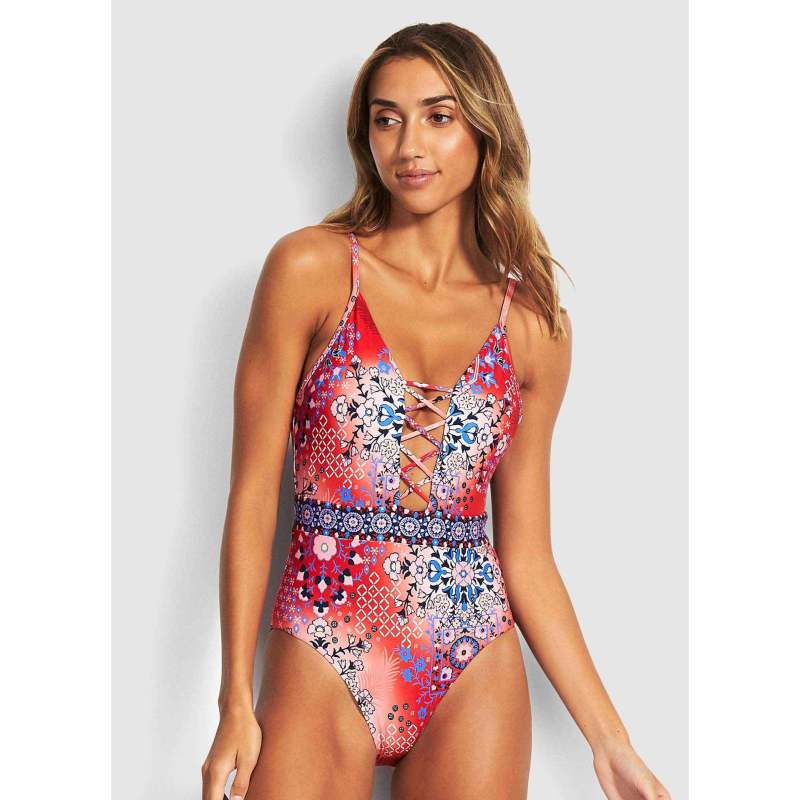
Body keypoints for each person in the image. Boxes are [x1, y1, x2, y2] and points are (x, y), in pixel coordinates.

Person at [202, 21, 671, 800]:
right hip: (323, 637)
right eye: (386, 119)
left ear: (485, 129)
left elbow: (526, 554)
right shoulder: (312, 269)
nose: (409, 145)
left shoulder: (533, 325)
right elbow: (253, 496)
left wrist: (610, 741)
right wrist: (234, 704)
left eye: (438, 116)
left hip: (471, 655)